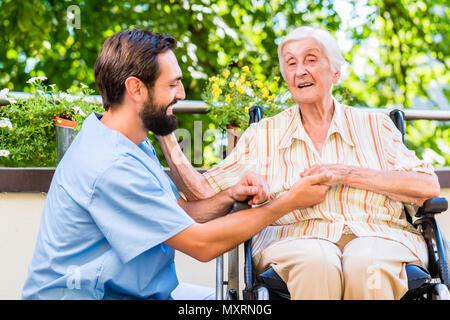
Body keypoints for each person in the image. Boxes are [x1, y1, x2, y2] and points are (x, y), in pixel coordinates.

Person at [21, 29, 333, 300]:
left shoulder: (130, 141)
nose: (181, 94)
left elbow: (177, 215)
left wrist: (230, 196)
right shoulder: (109, 164)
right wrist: (288, 203)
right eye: (172, 85)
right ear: (136, 89)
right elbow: (200, 244)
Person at [158, 26, 441, 300]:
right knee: (316, 264)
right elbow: (202, 194)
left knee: (368, 265)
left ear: (336, 72)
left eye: (311, 59)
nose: (300, 70)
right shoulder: (264, 134)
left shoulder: (375, 126)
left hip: (381, 237)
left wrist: (347, 173)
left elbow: (427, 187)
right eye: (291, 63)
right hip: (294, 241)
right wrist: (166, 134)